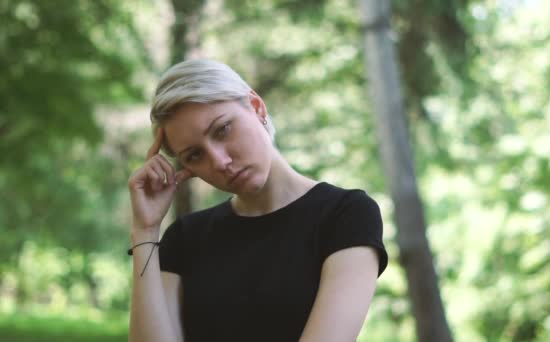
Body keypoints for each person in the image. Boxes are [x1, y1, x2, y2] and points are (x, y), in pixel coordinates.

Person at [127, 58, 388, 342]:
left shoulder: (346, 215)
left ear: (256, 107)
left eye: (222, 129)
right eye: (195, 155)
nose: (220, 161)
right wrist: (145, 230)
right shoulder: (185, 237)